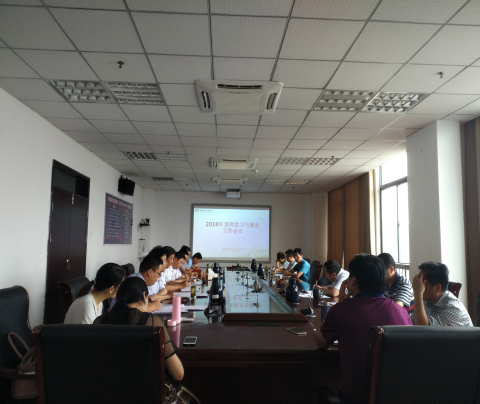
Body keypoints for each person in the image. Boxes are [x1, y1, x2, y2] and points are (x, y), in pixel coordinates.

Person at [315, 254, 412, 404]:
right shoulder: (401, 313)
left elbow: (320, 341)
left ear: (353, 281)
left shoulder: (342, 310)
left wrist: (340, 303)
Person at [94, 277, 184, 382]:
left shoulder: (99, 321)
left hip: (106, 386)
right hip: (142, 388)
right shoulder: (152, 322)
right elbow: (178, 374)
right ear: (144, 296)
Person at [411, 262, 472, 326]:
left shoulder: (453, 308)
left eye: (421, 282)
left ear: (437, 288)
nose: (417, 285)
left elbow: (424, 328)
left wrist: (418, 294)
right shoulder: (428, 300)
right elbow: (411, 321)